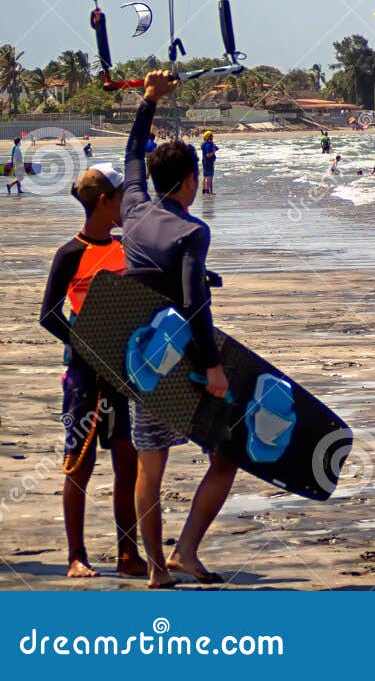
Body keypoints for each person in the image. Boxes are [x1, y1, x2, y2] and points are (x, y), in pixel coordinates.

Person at [120, 71, 235, 588]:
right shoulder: (193, 229)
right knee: (226, 456)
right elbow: (193, 304)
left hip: (140, 359)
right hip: (184, 363)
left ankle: (156, 568)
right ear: (190, 181)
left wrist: (149, 100)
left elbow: (131, 157)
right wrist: (212, 367)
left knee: (151, 466)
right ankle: (187, 549)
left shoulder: (133, 208)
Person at [38, 162, 145, 580]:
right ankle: (75, 556)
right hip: (83, 376)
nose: (126, 206)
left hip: (120, 372)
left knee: (126, 461)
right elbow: (48, 314)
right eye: (120, 199)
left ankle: (127, 554)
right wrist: (82, 343)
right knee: (78, 463)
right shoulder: (69, 254)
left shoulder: (126, 247)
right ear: (105, 201)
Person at [199, 131, 218, 196]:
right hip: (209, 162)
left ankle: (204, 191)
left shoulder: (204, 144)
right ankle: (209, 192)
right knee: (209, 177)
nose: (212, 136)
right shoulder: (208, 145)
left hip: (204, 162)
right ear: (209, 137)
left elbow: (217, 148)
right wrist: (213, 151)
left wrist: (213, 146)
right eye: (211, 135)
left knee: (205, 176)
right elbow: (208, 155)